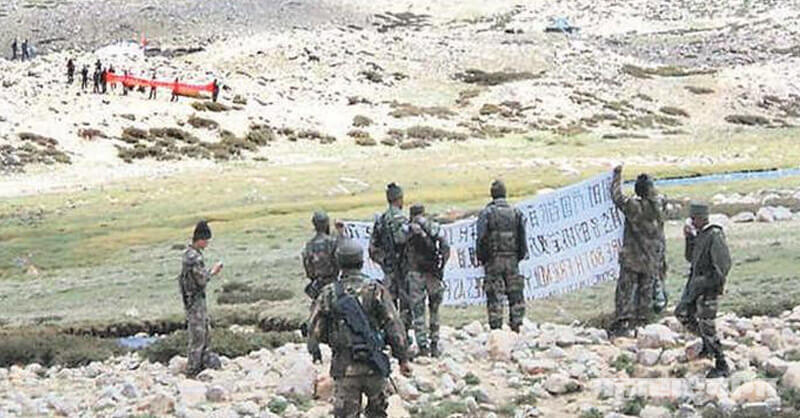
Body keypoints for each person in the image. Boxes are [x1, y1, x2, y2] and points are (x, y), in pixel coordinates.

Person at [307, 239, 412, 418]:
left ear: (338, 263)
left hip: (344, 367)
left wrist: (317, 350)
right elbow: (394, 325)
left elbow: (314, 329)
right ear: (362, 262)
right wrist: (403, 358)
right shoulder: (376, 289)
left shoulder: (329, 293)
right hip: (375, 364)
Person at [675, 202, 732, 378]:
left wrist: (710, 283)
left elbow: (723, 264)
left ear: (702, 218)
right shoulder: (700, 234)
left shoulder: (714, 234)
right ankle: (708, 347)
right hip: (695, 287)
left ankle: (721, 363)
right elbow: (691, 258)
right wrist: (689, 239)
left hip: (709, 288)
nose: (692, 222)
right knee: (682, 314)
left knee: (708, 326)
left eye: (694, 219)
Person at [608, 165, 666, 336]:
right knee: (645, 293)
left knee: (625, 293)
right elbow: (661, 198)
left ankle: (624, 322)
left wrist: (617, 177)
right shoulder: (659, 206)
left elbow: (616, 197)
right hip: (651, 259)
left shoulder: (633, 206)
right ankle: (643, 323)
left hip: (632, 258)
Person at [476, 180, 527, 332]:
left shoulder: (487, 213)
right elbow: (522, 239)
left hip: (493, 260)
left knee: (494, 296)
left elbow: (481, 238)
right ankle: (516, 327)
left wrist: (483, 258)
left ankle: (496, 331)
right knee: (515, 294)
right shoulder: (516, 213)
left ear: (492, 195)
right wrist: (518, 256)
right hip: (512, 259)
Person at [178, 220, 224, 377]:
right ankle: (192, 370)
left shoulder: (189, 254)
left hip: (194, 300)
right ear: (201, 239)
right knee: (198, 336)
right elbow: (202, 279)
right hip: (195, 301)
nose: (207, 244)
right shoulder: (194, 258)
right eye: (206, 241)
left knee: (204, 332)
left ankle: (203, 365)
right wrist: (213, 271)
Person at [405, 203, 449, 357]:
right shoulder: (433, 227)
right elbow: (445, 245)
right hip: (433, 273)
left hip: (415, 272)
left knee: (418, 311)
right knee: (434, 309)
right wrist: (441, 266)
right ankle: (435, 344)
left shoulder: (408, 229)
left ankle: (422, 346)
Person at [369, 182, 410, 326]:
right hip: (403, 269)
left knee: (389, 306)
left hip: (389, 270)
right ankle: (404, 336)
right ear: (399, 199)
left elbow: (372, 249)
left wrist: (384, 262)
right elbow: (405, 242)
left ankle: (393, 336)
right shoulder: (401, 219)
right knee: (406, 305)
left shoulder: (380, 220)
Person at [302, 211, 340, 300]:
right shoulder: (333, 242)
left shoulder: (309, 245)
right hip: (333, 284)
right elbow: (339, 264)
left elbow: (308, 269)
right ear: (327, 223)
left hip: (317, 287)